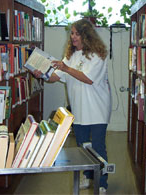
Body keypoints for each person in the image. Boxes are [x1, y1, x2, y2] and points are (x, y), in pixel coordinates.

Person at [32, 18, 112, 193]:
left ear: (86, 35)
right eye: (72, 33)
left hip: (97, 109)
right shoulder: (70, 56)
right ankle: (88, 175)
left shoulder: (97, 55)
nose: (73, 37)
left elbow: (88, 79)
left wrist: (66, 68)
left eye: (77, 33)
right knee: (83, 146)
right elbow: (56, 77)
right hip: (79, 109)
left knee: (98, 147)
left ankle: (102, 184)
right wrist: (42, 75)